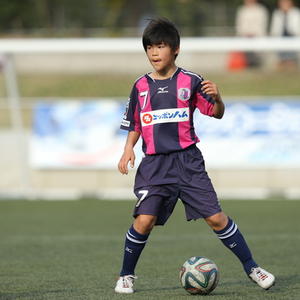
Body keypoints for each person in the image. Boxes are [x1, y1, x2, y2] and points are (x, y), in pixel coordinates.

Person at [115, 18, 275, 294]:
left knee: (216, 218)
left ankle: (253, 268)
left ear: (175, 49)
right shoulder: (140, 86)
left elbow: (216, 112)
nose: (154, 53)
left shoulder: (192, 81)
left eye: (160, 46)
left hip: (188, 162)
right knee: (144, 220)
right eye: (149, 47)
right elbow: (136, 123)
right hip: (155, 165)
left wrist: (220, 98)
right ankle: (126, 275)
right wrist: (128, 148)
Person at [235, 0, 269, 68]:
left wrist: (253, 33)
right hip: (245, 36)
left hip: (257, 36)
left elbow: (262, 25)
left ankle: (256, 64)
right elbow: (240, 26)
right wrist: (246, 33)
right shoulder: (242, 10)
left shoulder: (261, 10)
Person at [270, 0, 300, 69]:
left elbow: (296, 29)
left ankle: (290, 62)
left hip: (293, 37)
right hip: (280, 38)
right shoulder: (277, 13)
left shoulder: (296, 13)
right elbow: (274, 29)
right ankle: (283, 62)